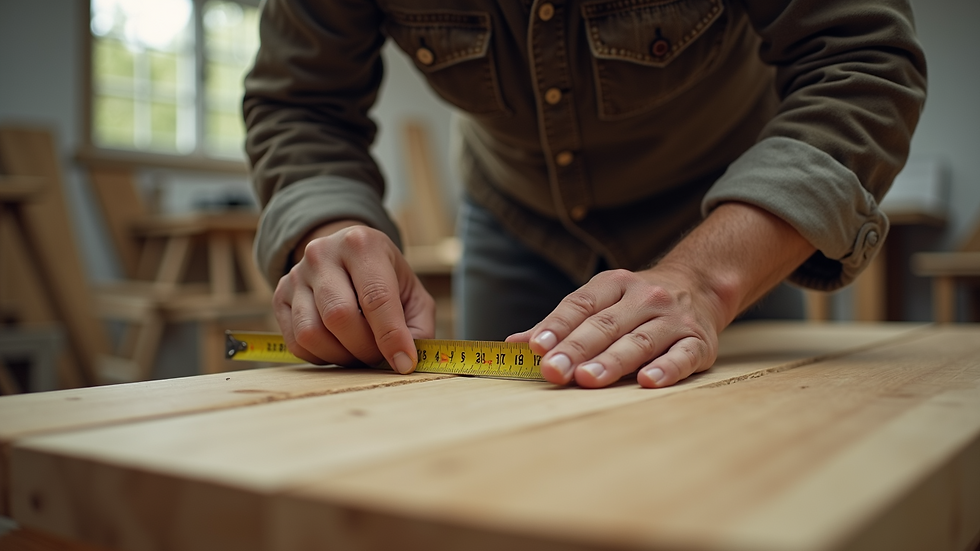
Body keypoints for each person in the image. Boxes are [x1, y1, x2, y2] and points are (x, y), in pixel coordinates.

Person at [243, 0, 927, 389]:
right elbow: (300, 103)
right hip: (514, 213)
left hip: (727, 220)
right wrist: (324, 225)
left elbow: (862, 60)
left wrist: (709, 278)